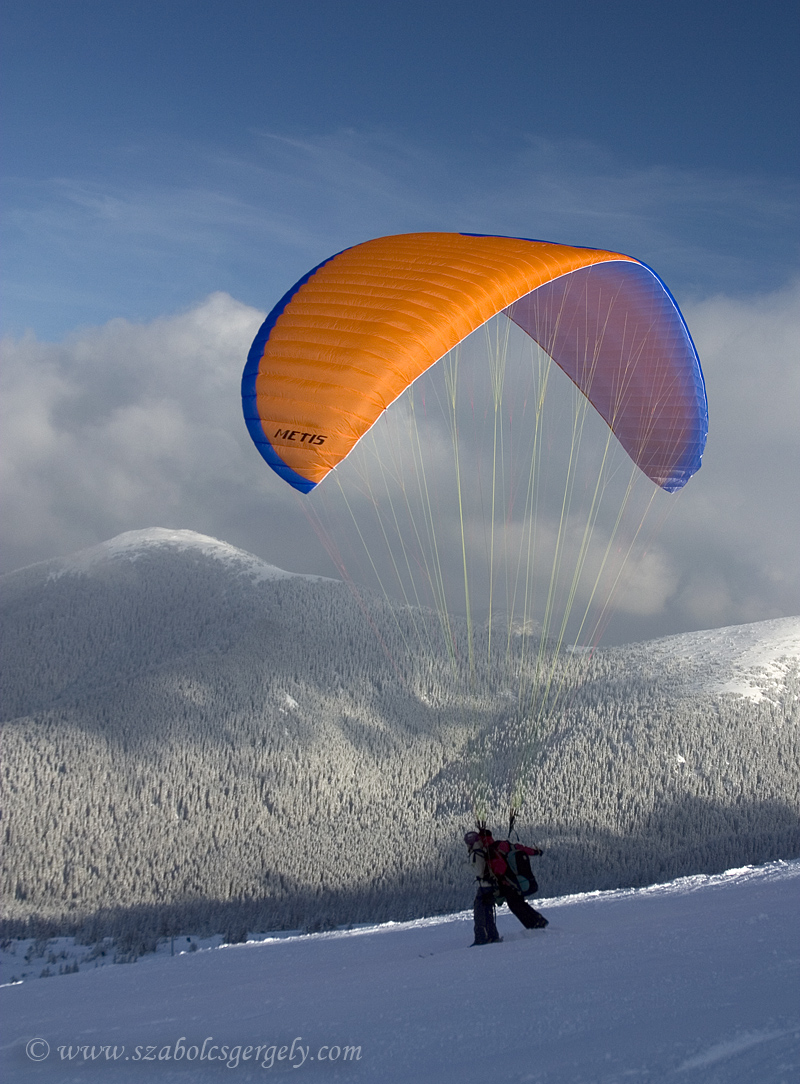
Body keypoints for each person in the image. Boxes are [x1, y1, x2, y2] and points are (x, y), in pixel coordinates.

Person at [465, 827, 548, 945]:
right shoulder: (502, 845)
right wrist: (536, 852)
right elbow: (520, 848)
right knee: (518, 904)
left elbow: (482, 871)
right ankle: (539, 923)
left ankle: (536, 926)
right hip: (515, 881)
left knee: (514, 905)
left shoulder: (484, 851)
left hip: (504, 885)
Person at [465, 829, 502, 945]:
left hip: (484, 886)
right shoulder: (484, 850)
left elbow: (478, 871)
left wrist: (466, 867)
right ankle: (492, 936)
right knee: (487, 911)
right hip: (491, 885)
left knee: (480, 913)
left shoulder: (476, 853)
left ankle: (481, 938)